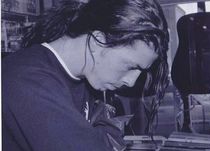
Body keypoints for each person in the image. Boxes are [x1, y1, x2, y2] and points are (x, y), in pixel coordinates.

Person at [2, 0, 169, 150]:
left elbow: (112, 137)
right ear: (97, 40)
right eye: (131, 67)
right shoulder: (27, 81)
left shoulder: (87, 79)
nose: (131, 81)